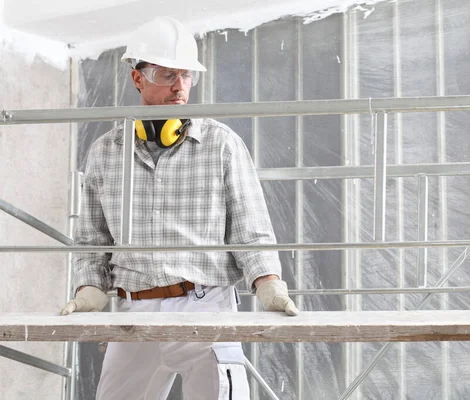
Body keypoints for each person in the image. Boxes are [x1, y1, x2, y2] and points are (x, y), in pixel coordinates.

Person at [60, 16, 299, 400]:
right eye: (166, 74)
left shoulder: (221, 144)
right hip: (133, 310)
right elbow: (92, 238)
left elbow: (250, 227)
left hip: (205, 306)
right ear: (137, 78)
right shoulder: (106, 152)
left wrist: (267, 282)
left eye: (187, 75)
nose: (180, 86)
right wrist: (90, 287)